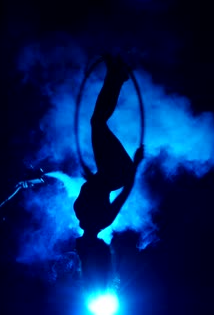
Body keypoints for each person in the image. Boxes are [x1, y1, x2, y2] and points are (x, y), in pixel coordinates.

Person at [73, 53, 144, 292]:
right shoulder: (90, 215)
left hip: (110, 172)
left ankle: (116, 75)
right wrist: (135, 163)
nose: (78, 241)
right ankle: (117, 75)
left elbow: (96, 187)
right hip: (118, 172)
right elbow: (125, 190)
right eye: (81, 245)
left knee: (97, 121)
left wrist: (91, 177)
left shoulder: (87, 214)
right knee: (97, 122)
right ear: (85, 242)